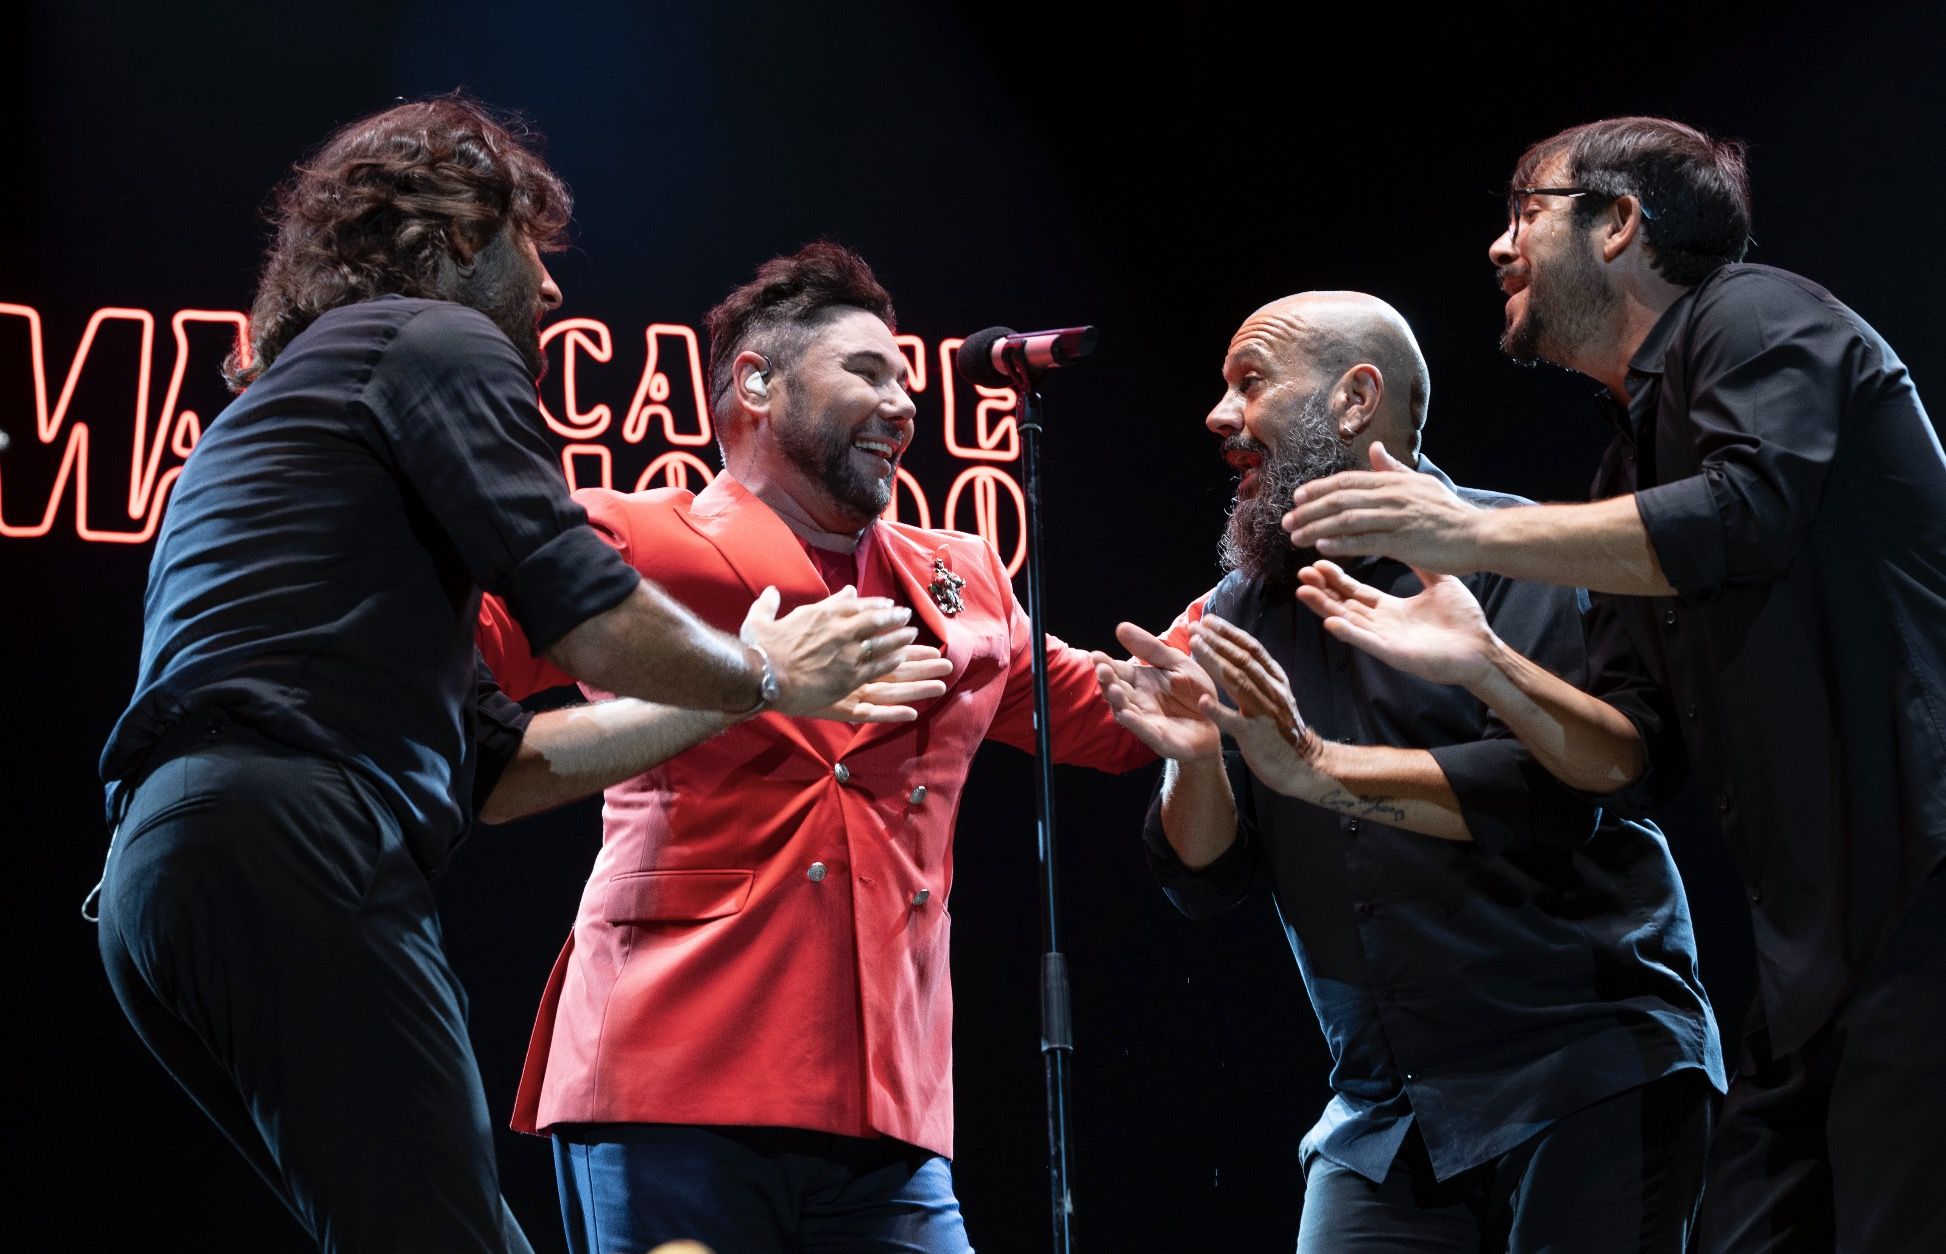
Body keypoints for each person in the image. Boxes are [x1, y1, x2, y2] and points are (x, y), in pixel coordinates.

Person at [93, 98, 916, 1254]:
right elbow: (579, 611)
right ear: (445, 242)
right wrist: (762, 677)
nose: (551, 290)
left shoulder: (306, 413)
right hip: (292, 840)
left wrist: (712, 698)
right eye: (528, 245)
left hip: (165, 884)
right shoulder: (430, 339)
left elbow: (502, 766)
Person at [1282, 117, 1946, 1251]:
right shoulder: (1625, 463)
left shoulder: (1754, 316)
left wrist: (1472, 536)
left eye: (1522, 212)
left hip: (1924, 909)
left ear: (1619, 222)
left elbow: (1739, 517)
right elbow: (1630, 758)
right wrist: (1485, 666)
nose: (1497, 247)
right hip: (1811, 965)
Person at [474, 242, 1155, 1254]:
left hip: (888, 1110)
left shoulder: (962, 576)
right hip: (672, 1073)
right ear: (754, 382)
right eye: (867, 372)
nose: (902, 405)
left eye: (907, 382)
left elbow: (1112, 713)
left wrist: (1265, 576)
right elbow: (453, 669)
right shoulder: (634, 538)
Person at [1093, 290, 1723, 1251]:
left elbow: (1560, 799)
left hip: (1583, 1069)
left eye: (1250, 383)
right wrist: (1198, 766)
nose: (1220, 416)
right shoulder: (1237, 610)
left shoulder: (1513, 556)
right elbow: (1205, 879)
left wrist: (1321, 767)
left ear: (1355, 399)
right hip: (1386, 1118)